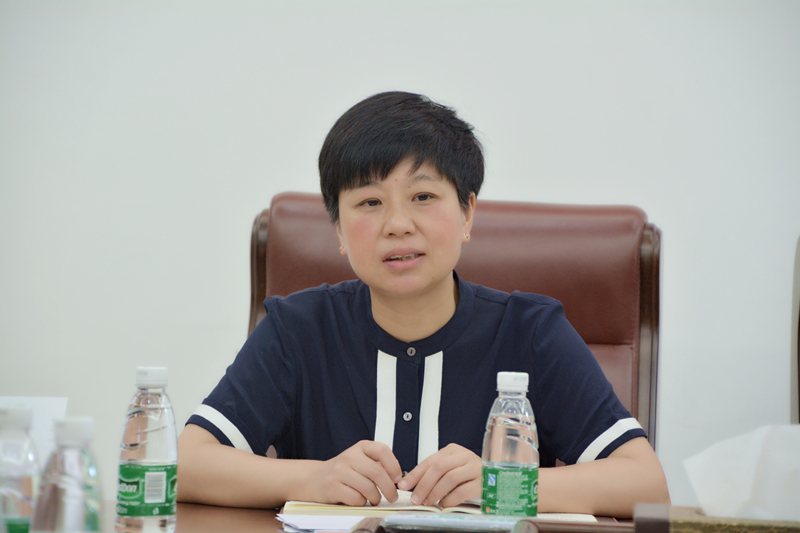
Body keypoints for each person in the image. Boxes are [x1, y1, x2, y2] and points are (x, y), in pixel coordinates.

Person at [177, 91, 670, 517]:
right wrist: (313, 480)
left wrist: (501, 487)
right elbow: (187, 463)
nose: (398, 224)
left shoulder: (531, 331)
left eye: (423, 196)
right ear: (339, 231)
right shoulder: (297, 329)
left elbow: (645, 484)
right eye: (370, 203)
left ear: (467, 213)